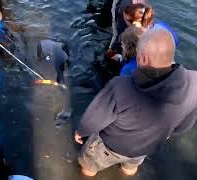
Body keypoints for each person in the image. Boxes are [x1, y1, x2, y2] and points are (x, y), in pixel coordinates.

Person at [75, 28, 197, 177]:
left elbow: (93, 119)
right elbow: (185, 125)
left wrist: (81, 131)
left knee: (89, 166)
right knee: (130, 168)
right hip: (144, 148)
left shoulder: (119, 86)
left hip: (109, 147)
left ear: (143, 58)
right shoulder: (194, 83)